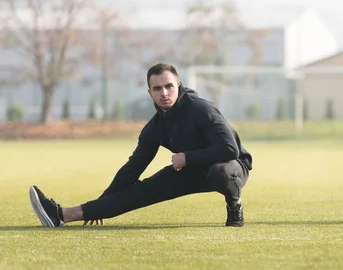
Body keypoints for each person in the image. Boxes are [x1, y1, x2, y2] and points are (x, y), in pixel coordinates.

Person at [29, 63, 252, 228]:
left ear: (179, 85)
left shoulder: (201, 109)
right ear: (149, 93)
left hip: (232, 167)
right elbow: (133, 168)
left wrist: (187, 157)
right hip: (191, 171)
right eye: (157, 89)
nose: (164, 93)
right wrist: (101, 203)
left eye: (169, 86)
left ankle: (235, 207)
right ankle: (61, 215)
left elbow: (229, 149)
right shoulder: (155, 127)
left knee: (221, 171)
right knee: (141, 191)